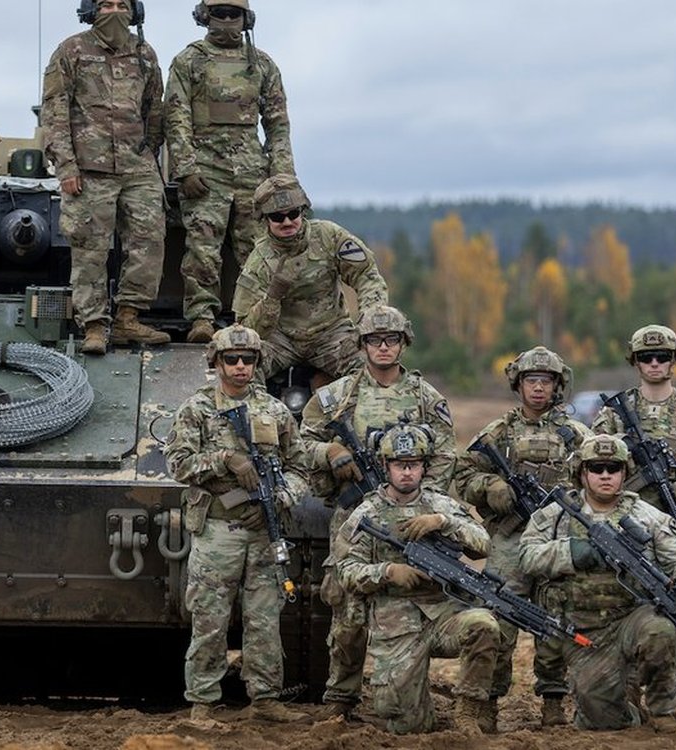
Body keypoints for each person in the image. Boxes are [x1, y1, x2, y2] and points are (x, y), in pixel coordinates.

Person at [299, 305, 457, 719]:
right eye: (374, 340)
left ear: (404, 343)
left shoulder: (426, 398)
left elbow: (445, 454)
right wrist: (330, 451)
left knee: (414, 603)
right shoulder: (337, 396)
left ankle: (409, 693)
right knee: (347, 610)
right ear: (363, 344)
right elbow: (299, 443)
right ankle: (341, 697)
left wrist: (422, 500)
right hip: (356, 517)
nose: (383, 347)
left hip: (411, 521)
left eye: (391, 339)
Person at [163, 324, 319, 723]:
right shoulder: (197, 409)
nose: (239, 366)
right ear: (216, 363)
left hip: (264, 530)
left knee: (264, 619)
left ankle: (265, 699)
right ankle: (203, 702)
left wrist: (279, 499)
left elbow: (300, 468)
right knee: (210, 619)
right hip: (218, 530)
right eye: (230, 359)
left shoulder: (275, 411)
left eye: (248, 359)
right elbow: (178, 464)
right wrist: (224, 460)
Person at [519, 434, 676, 731]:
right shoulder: (556, 515)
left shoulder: (647, 516)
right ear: (582, 473)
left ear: (625, 473)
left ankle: (663, 711)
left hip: (631, 618)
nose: (605, 475)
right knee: (601, 719)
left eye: (613, 468)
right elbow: (527, 556)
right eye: (596, 468)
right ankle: (626, 703)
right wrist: (571, 552)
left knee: (661, 631)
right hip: (583, 630)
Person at [591, 324, 676, 718]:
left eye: (662, 357)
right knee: (628, 602)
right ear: (635, 362)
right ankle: (628, 687)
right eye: (646, 357)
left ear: (674, 361)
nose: (654, 363)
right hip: (626, 524)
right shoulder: (614, 414)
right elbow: (593, 461)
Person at [454, 345, 591, 727]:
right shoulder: (499, 432)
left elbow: (601, 477)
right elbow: (462, 475)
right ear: (519, 384)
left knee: (555, 619)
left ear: (557, 385)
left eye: (546, 381)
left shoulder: (576, 434)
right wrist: (491, 487)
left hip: (555, 541)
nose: (539, 388)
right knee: (499, 617)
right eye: (532, 380)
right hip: (510, 539)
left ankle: (553, 701)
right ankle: (486, 703)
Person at [335, 421, 499, 735]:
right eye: (400, 465)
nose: (407, 472)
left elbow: (483, 544)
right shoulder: (367, 513)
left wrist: (444, 522)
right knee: (405, 723)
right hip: (395, 623)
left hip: (443, 615)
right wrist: (387, 572)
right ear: (386, 466)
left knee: (483, 625)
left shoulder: (441, 505)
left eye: (414, 464)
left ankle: (467, 711)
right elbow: (346, 571)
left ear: (424, 467)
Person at [40, 0, 170, 354]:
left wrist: (149, 152)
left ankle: (129, 317)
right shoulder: (70, 51)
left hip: (138, 167)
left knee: (149, 241)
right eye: (106, 5)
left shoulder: (144, 54)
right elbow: (54, 112)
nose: (114, 12)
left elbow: (154, 109)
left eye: (122, 5)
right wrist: (66, 166)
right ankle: (94, 325)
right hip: (88, 169)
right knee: (89, 250)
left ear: (134, 11)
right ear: (91, 11)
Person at [165, 0, 295, 344]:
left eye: (233, 14)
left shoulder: (262, 64)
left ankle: (255, 318)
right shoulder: (188, 61)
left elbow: (278, 124)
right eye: (218, 14)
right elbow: (176, 117)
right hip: (205, 171)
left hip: (252, 173)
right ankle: (202, 318)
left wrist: (282, 177)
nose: (226, 20)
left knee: (258, 249)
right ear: (204, 17)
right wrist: (186, 168)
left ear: (245, 19)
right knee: (202, 247)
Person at [233, 174, 388, 382]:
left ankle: (343, 402)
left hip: (332, 334)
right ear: (265, 219)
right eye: (277, 217)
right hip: (281, 341)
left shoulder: (328, 236)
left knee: (373, 369)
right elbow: (245, 328)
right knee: (241, 368)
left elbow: (366, 275)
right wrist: (272, 297)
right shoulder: (258, 262)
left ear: (303, 211)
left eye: (293, 214)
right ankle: (262, 403)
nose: (287, 222)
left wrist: (369, 323)